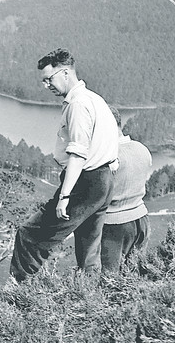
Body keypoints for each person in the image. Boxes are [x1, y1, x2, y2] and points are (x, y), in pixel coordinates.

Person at [9, 48, 121, 282]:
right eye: (43, 81)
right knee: (89, 241)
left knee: (30, 235)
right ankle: (90, 291)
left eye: (49, 79)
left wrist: (64, 196)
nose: (46, 85)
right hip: (104, 180)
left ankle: (20, 291)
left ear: (66, 73)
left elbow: (78, 154)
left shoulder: (79, 104)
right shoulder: (95, 99)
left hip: (86, 181)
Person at [101, 106, 153, 273]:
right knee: (134, 275)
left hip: (114, 224)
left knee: (110, 279)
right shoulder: (141, 149)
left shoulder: (107, 156)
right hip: (141, 219)